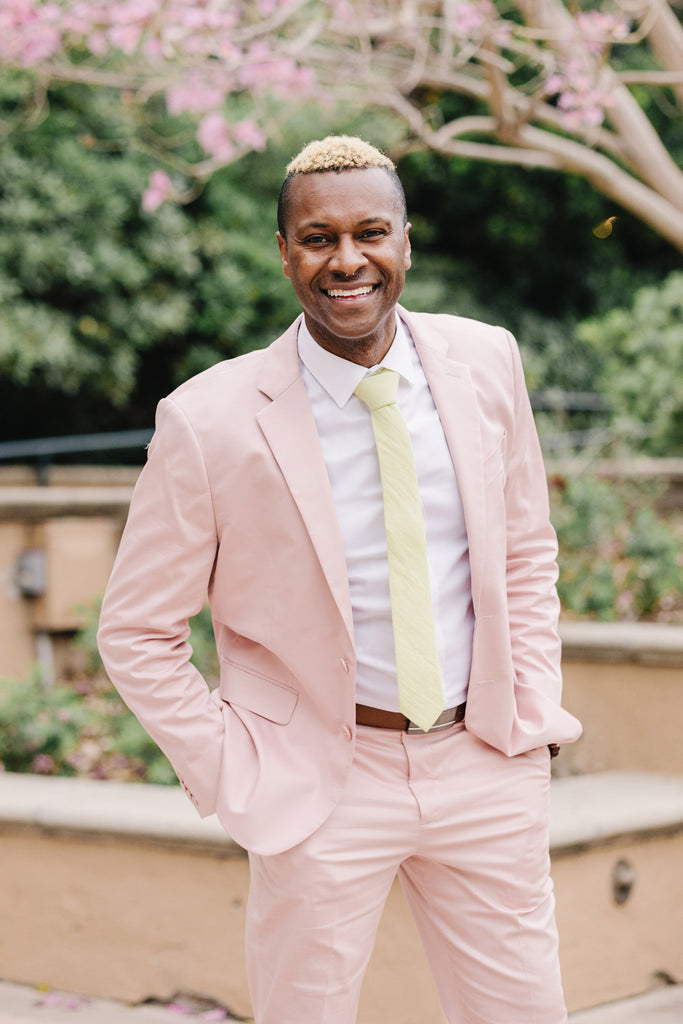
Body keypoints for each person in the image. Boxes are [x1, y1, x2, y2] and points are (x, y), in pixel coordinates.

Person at [98, 135, 583, 1024]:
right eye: (317, 238)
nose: (346, 260)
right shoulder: (208, 420)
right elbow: (136, 631)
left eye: (370, 233)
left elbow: (523, 548)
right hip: (318, 781)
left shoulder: (486, 362)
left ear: (405, 240)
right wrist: (233, 764)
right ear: (285, 253)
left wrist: (528, 715)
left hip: (482, 763)